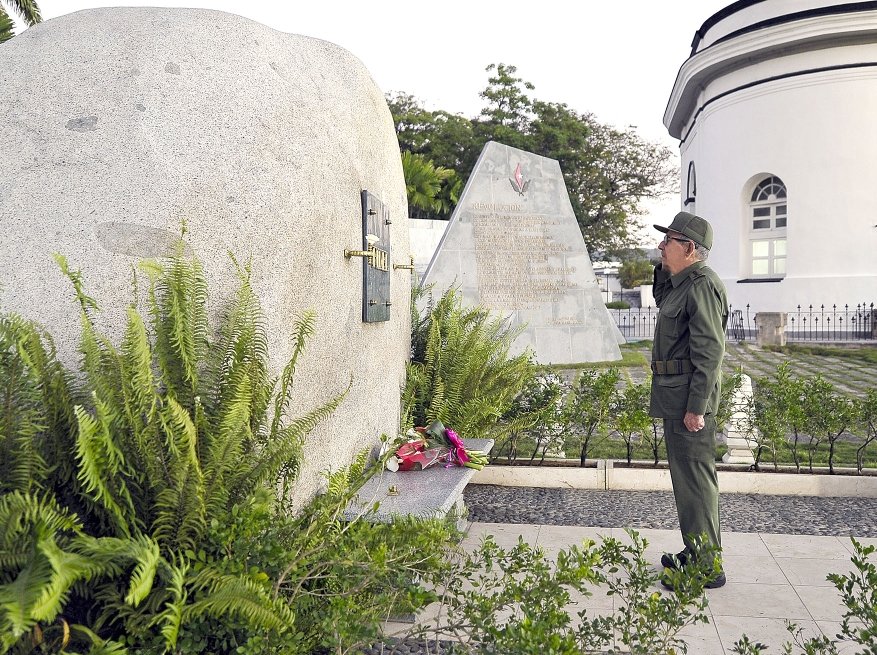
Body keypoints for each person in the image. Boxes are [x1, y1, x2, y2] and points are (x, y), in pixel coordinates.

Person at [649, 211, 729, 589]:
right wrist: (664, 264)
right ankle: (696, 549)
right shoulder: (682, 283)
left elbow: (710, 352)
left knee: (696, 482)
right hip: (675, 398)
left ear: (690, 248)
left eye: (669, 241)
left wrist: (697, 406)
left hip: (688, 404)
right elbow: (662, 295)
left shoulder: (702, 285)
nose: (661, 246)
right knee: (687, 481)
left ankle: (706, 565)